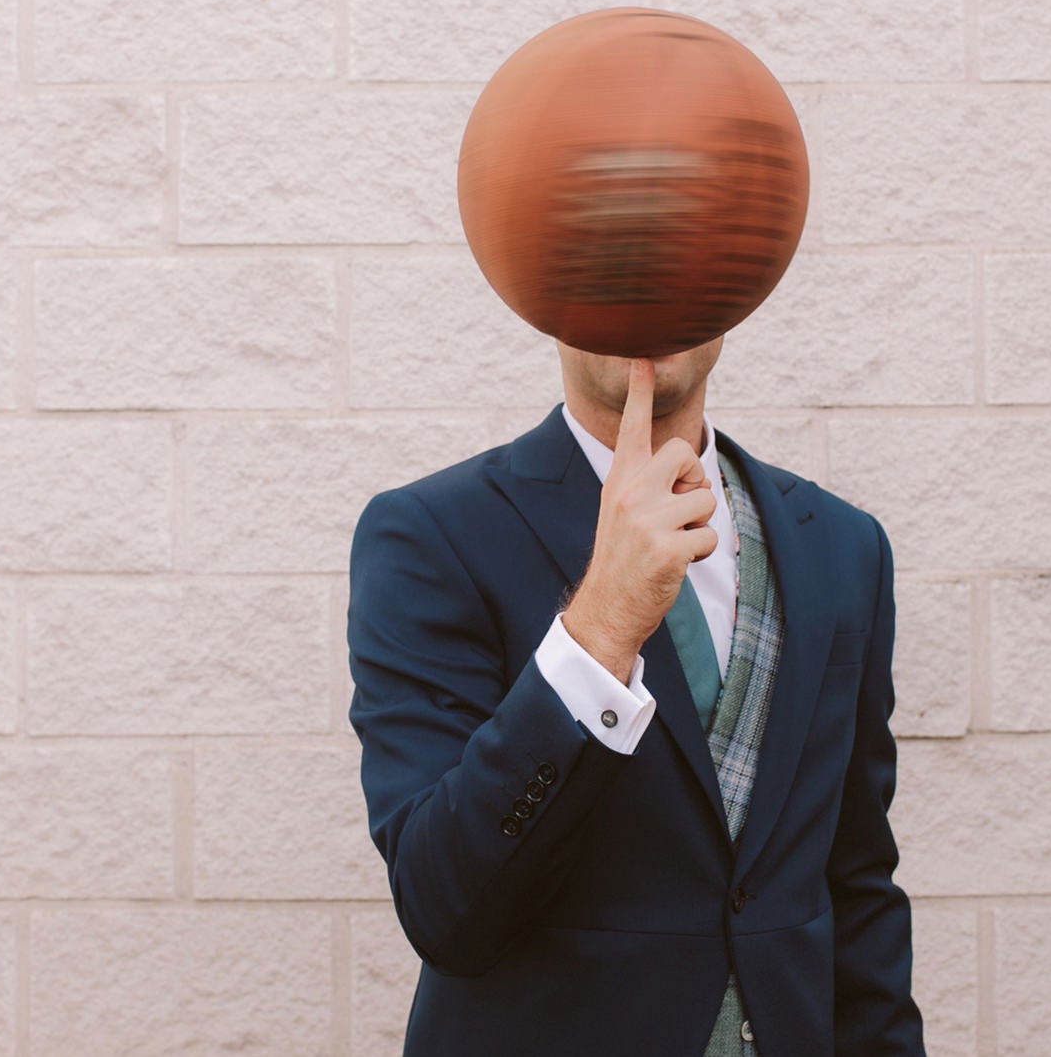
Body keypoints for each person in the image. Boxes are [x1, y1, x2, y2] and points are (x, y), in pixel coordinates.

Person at [346, 334, 924, 1057]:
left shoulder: (844, 546)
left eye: (681, 249)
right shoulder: (430, 534)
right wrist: (601, 625)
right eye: (614, 251)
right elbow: (443, 908)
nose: (650, 291)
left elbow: (857, 885)